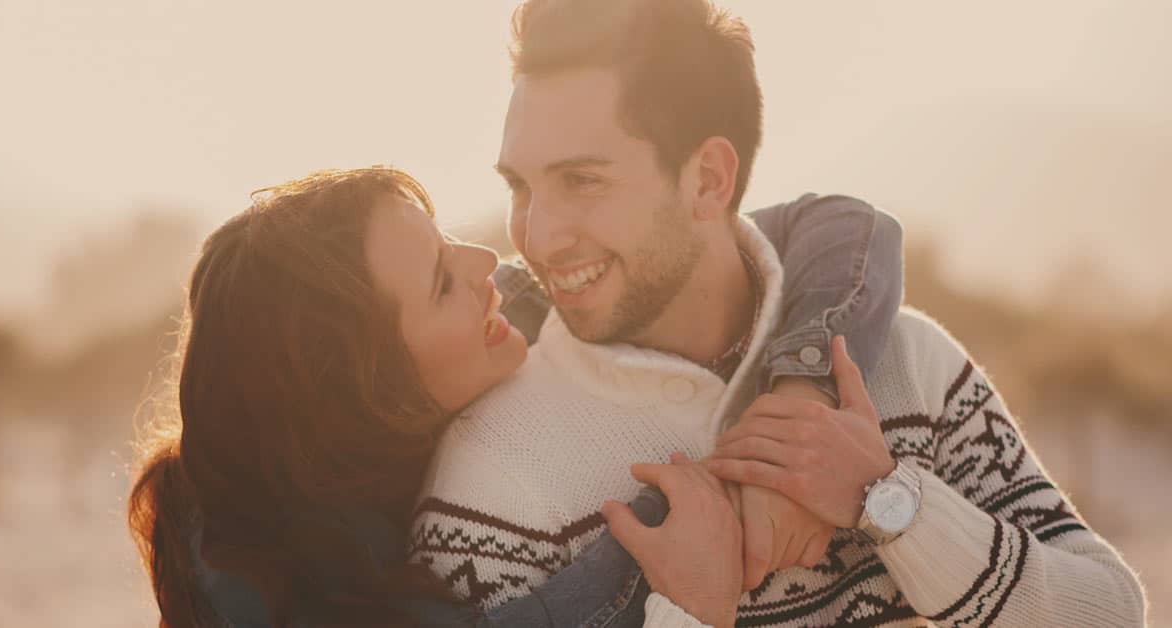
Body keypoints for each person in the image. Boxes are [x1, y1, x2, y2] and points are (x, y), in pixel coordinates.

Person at [410, 0, 1147, 626]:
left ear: (708, 178)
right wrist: (686, 610)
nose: (536, 234)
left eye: (582, 181)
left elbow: (1112, 610)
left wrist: (891, 502)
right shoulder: (490, 474)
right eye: (521, 186)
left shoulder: (904, 364)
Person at [127, 167, 905, 627]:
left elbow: (845, 230)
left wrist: (800, 400)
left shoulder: (508, 312)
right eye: (440, 282)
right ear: (370, 392)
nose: (485, 261)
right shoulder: (296, 593)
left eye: (442, 238)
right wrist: (708, 535)